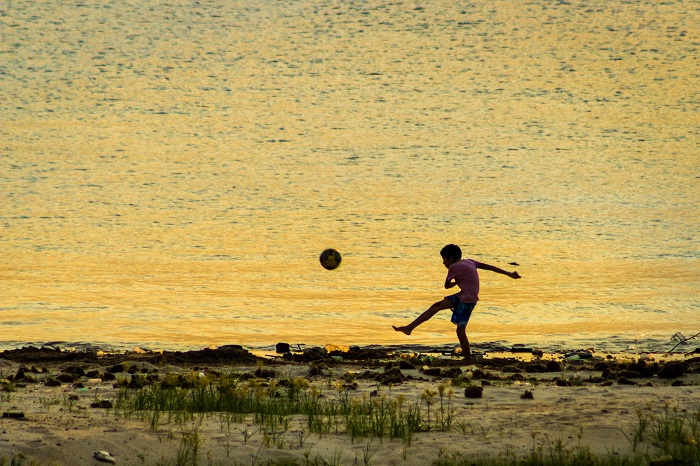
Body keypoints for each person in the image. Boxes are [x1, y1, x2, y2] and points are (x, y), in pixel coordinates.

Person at [393, 244, 520, 366]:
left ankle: (468, 360)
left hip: (467, 300)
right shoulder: (469, 261)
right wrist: (509, 273)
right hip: (462, 295)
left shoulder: (453, 267)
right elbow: (489, 267)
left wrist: (454, 283)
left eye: (444, 259)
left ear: (451, 258)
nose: (443, 263)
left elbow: (446, 286)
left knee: (460, 331)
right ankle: (409, 328)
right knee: (436, 306)